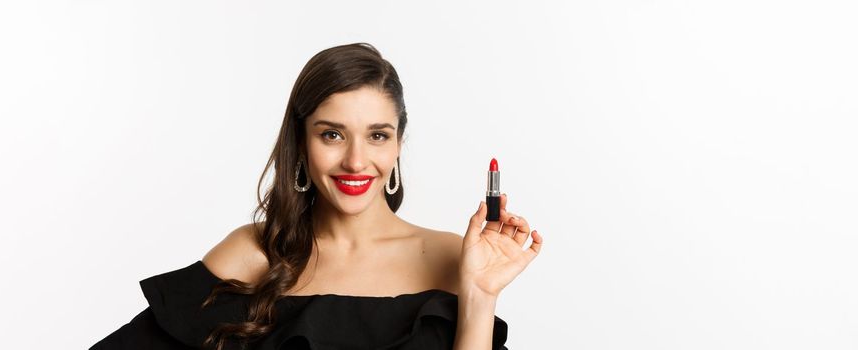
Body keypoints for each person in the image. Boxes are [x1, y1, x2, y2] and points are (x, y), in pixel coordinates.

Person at [90, 42, 543, 350]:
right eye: (332, 134)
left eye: (378, 136)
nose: (355, 160)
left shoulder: (453, 258)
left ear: (399, 143)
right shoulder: (252, 253)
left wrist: (480, 296)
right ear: (301, 142)